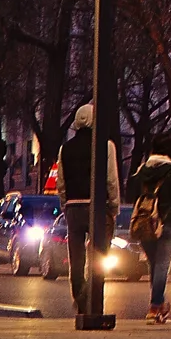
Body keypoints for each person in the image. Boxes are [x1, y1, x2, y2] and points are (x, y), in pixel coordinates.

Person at [55, 103, 119, 318]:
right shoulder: (106, 146)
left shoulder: (66, 149)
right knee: (99, 254)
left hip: (73, 206)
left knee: (76, 256)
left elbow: (61, 182)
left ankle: (79, 295)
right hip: (97, 205)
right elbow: (111, 179)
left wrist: (65, 203)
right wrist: (114, 205)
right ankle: (91, 294)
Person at [129, 137, 171, 324]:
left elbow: (131, 193)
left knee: (154, 264)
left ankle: (159, 304)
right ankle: (155, 307)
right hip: (168, 224)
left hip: (146, 223)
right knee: (162, 265)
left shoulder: (141, 171)